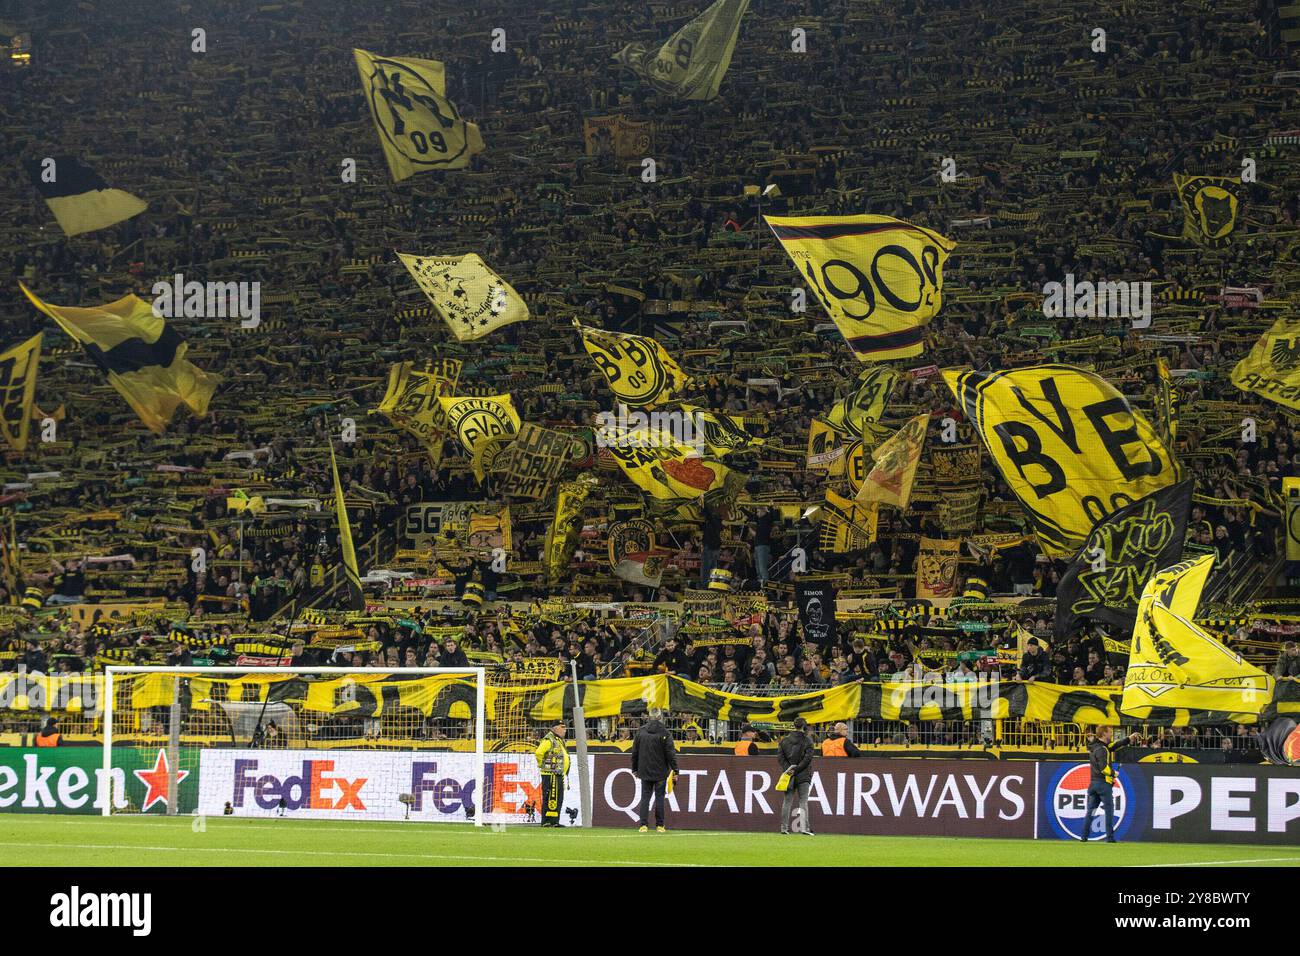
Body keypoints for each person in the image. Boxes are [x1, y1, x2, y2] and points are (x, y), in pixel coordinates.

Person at [1081, 726, 1141, 842]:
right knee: (1109, 810)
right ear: (1104, 734)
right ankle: (1110, 837)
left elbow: (1115, 745)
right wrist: (1114, 773)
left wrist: (1129, 739)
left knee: (1091, 811)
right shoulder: (1103, 749)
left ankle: (1084, 836)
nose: (1111, 735)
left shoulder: (1097, 747)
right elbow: (1103, 768)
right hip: (1103, 785)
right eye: (1109, 733)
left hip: (1093, 784)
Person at [631, 707, 678, 832]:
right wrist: (676, 770)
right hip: (661, 771)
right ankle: (660, 825)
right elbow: (670, 754)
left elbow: (634, 752)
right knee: (659, 798)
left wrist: (634, 769)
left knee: (645, 798)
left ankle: (643, 825)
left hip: (644, 770)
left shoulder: (641, 732)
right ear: (659, 717)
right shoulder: (665, 733)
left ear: (649, 716)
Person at [777, 717, 815, 835]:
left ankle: (784, 828)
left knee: (787, 800)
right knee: (803, 801)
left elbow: (780, 757)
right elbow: (808, 758)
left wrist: (789, 769)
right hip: (803, 774)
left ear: (794, 725)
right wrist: (797, 769)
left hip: (789, 775)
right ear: (805, 727)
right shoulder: (808, 741)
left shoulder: (784, 741)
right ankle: (804, 828)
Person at [533, 721, 570, 827]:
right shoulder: (549, 739)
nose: (565, 729)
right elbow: (539, 752)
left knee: (557, 798)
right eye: (562, 727)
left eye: (565, 727)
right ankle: (547, 821)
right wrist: (542, 764)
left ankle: (554, 821)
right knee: (550, 797)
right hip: (550, 774)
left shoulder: (558, 740)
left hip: (557, 774)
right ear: (554, 728)